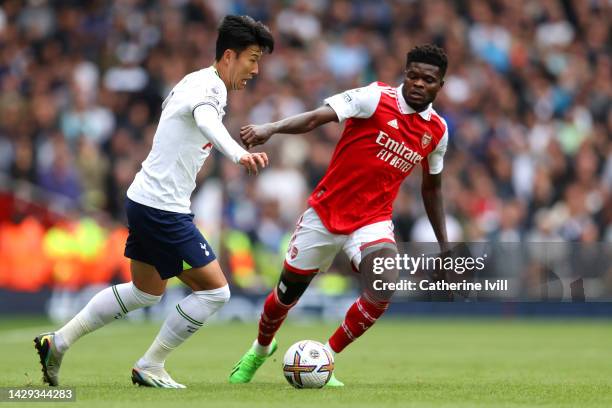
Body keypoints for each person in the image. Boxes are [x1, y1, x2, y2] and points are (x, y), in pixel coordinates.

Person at [34, 15, 274, 389]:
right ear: (229, 55)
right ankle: (151, 364)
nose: (256, 70)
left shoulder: (194, 81)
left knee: (145, 292)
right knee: (215, 291)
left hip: (146, 199)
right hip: (162, 208)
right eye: (253, 59)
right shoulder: (210, 89)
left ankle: (58, 342)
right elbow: (207, 120)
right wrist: (238, 154)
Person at [229, 44, 450, 387]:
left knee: (384, 286)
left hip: (372, 221)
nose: (419, 83)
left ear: (440, 85)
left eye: (428, 79)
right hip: (325, 213)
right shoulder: (374, 98)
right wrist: (270, 128)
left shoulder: (437, 131)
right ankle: (260, 349)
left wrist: (446, 245)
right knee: (284, 297)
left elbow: (432, 189)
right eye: (414, 76)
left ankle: (324, 357)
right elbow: (317, 117)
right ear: (405, 74)